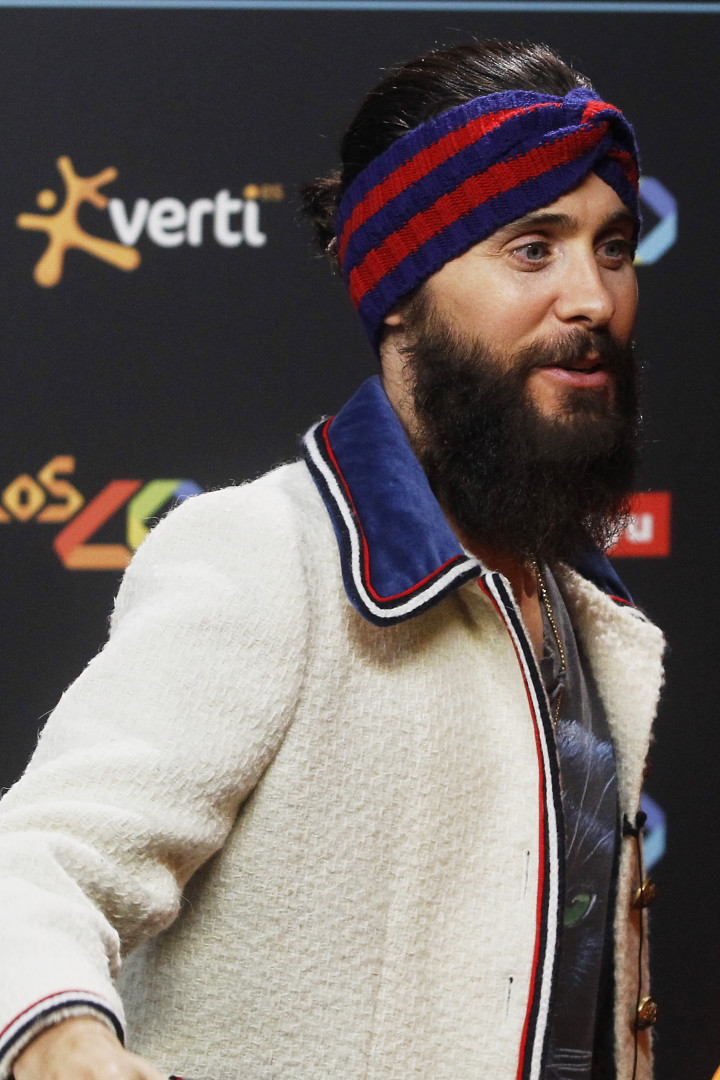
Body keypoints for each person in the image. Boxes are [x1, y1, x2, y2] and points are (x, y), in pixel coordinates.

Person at [0, 39, 664, 1080]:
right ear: (401, 288)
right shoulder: (268, 557)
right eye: (533, 249)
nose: (593, 298)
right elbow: (39, 863)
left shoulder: (584, 612)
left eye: (614, 247)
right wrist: (58, 1038)